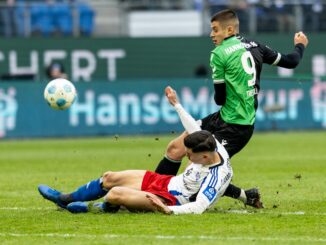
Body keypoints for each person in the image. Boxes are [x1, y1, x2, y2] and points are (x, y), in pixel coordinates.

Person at [154, 9, 309, 208]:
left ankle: (241, 196)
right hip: (222, 117)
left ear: (229, 30)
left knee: (199, 169)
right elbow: (291, 61)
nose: (212, 35)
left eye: (215, 30)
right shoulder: (256, 46)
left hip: (237, 127)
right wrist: (300, 45)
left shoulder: (218, 54)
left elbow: (220, 98)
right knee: (175, 149)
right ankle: (154, 191)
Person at [38, 87, 233, 215]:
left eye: (190, 155)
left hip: (169, 199)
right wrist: (176, 105)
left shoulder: (216, 177)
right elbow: (193, 128)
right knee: (109, 178)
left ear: (205, 156)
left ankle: (94, 207)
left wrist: (168, 210)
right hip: (166, 182)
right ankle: (66, 199)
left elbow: (199, 207)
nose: (187, 157)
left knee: (115, 193)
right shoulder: (212, 144)